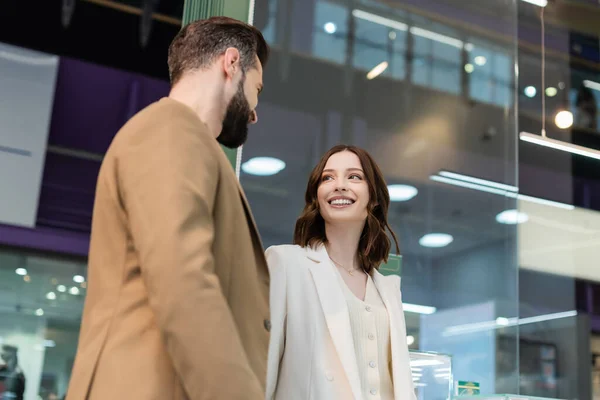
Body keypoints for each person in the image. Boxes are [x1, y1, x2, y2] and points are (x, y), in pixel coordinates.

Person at [66, 17, 271, 400]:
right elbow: (183, 279)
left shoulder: (183, 138)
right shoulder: (171, 130)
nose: (255, 111)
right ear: (231, 63)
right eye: (257, 89)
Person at [265, 145, 416, 400]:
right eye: (328, 178)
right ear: (317, 196)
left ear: (374, 197)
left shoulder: (389, 289)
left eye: (354, 176)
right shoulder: (286, 263)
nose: (339, 185)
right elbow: (262, 369)